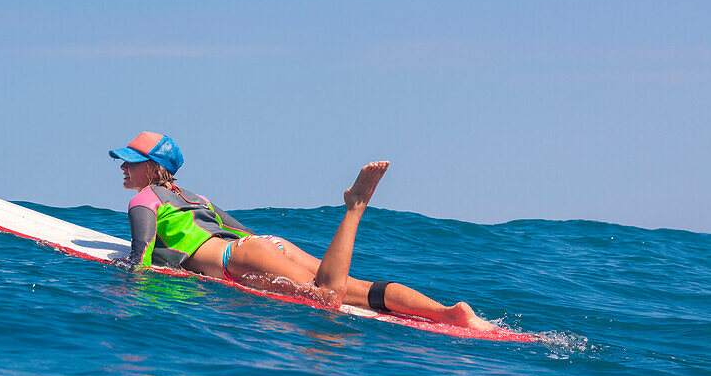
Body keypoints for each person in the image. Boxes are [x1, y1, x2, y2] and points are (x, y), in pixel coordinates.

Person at [109, 132, 497, 331]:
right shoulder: (194, 196)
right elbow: (243, 231)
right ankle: (451, 313)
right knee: (356, 290)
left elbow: (140, 253)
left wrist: (126, 288)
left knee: (327, 295)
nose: (123, 169)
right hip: (256, 246)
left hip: (233, 259)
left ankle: (355, 208)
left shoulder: (144, 199)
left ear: (151, 168)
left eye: (131, 162)